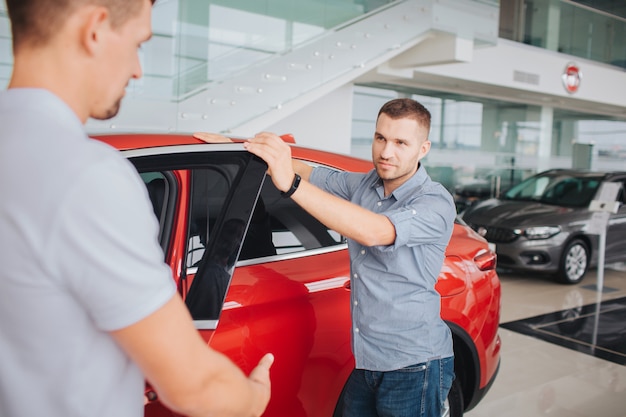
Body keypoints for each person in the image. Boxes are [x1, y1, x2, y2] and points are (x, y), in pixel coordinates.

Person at [0, 1, 273, 417]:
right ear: (95, 29)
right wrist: (253, 398)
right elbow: (195, 387)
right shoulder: (86, 176)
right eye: (138, 44)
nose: (137, 70)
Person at [195, 97, 456, 417]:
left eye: (401, 142)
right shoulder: (363, 185)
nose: (386, 152)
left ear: (423, 149)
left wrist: (289, 185)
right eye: (380, 138)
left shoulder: (435, 203)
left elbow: (374, 231)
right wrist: (239, 147)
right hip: (367, 360)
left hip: (415, 365)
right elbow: (308, 171)